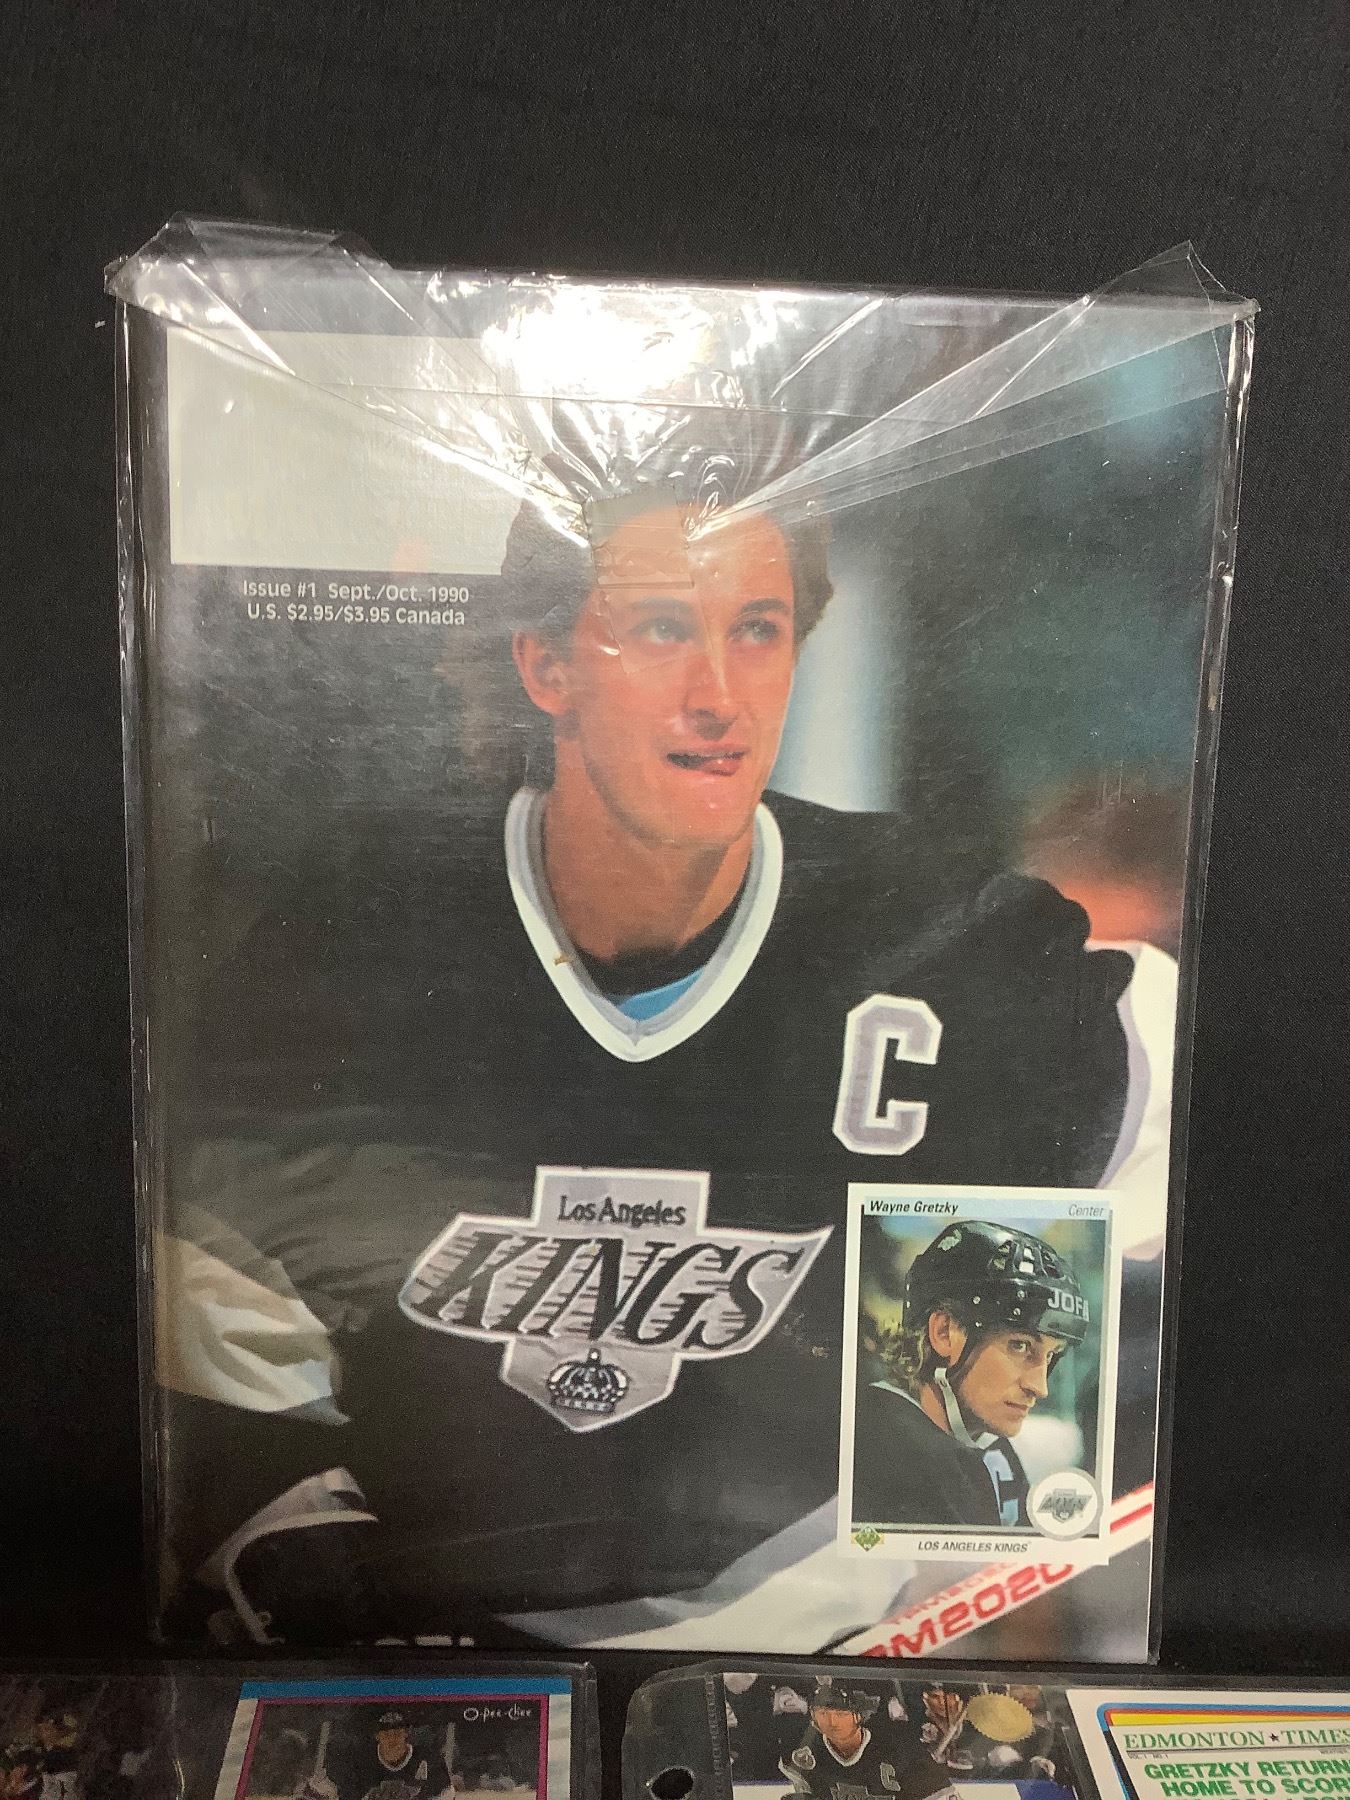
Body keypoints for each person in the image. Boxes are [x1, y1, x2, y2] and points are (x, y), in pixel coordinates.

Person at [160, 480, 1171, 1649]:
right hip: (441, 1662)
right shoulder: (349, 943)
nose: (719, 694)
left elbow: (1197, 1154)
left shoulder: (956, 948)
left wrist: (985, 1514)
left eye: (760, 629)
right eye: (658, 629)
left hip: (807, 1658)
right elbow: (230, 1367)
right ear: (545, 665)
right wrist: (303, 1561)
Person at [852, 1221, 1089, 1530]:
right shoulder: (889, 1450)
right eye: (1019, 1346)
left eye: (1051, 1355)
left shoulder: (988, 1446)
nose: (1039, 1387)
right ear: (944, 1333)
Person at [779, 1681, 955, 1800]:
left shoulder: (900, 1747)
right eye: (823, 1714)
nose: (832, 1722)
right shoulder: (804, 1753)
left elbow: (937, 1791)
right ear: (813, 1718)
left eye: (841, 1714)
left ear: (858, 1717)